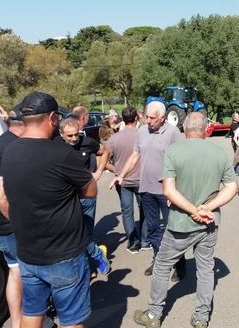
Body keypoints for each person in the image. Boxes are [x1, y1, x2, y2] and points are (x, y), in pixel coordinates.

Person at [0, 91, 98, 328]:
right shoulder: (61, 153)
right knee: (72, 320)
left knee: (32, 313)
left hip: (28, 252)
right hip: (64, 253)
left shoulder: (9, 151)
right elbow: (91, 190)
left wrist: (23, 223)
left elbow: (2, 199)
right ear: (53, 118)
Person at [133, 112, 238, 328]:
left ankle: (154, 315)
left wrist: (192, 210)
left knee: (162, 265)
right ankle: (201, 317)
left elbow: (169, 191)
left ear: (184, 128)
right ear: (206, 129)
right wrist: (206, 208)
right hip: (209, 222)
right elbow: (232, 187)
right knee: (206, 268)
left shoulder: (173, 152)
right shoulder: (218, 153)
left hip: (181, 223)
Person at [110, 101, 186, 279]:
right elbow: (135, 155)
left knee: (172, 230)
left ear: (163, 117)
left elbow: (181, 163)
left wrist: (177, 190)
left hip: (167, 192)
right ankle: (159, 261)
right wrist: (121, 175)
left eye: (152, 118)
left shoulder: (173, 133)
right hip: (146, 189)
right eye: (146, 116)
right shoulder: (142, 131)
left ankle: (180, 263)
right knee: (152, 230)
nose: (148, 120)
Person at [58, 117, 110, 277]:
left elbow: (105, 151)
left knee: (86, 232)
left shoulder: (87, 142)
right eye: (70, 136)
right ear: (61, 134)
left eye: (76, 135)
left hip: (87, 195)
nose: (74, 139)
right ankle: (96, 255)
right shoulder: (55, 146)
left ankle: (92, 264)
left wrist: (99, 172)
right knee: (72, 233)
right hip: (66, 197)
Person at [0, 105, 25, 328]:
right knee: (25, 276)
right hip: (8, 226)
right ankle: (26, 321)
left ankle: (17, 321)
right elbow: (1, 198)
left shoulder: (3, 141)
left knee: (15, 271)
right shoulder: (12, 147)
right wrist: (19, 224)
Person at [106, 106, 148, 253]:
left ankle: (133, 242)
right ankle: (145, 240)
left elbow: (104, 161)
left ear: (122, 119)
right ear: (136, 118)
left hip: (123, 181)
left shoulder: (113, 138)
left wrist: (117, 171)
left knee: (127, 211)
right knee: (144, 209)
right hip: (142, 179)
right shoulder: (144, 135)